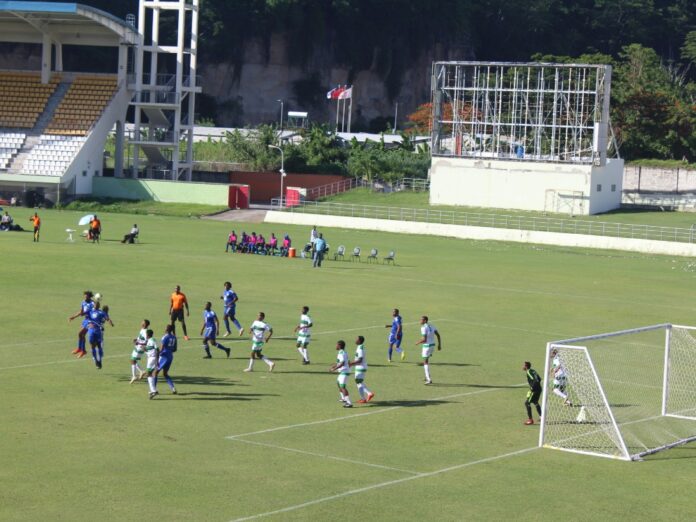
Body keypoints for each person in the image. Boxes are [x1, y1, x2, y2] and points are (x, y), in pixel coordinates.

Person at [415, 315, 441, 385]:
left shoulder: (423, 328)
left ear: (425, 321)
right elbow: (438, 335)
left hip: (426, 346)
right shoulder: (432, 326)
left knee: (425, 362)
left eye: (422, 320)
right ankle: (427, 377)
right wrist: (439, 345)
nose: (420, 321)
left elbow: (424, 339)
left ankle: (429, 379)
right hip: (432, 346)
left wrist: (417, 342)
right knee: (427, 360)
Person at [68, 290, 95, 358]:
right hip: (86, 320)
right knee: (80, 334)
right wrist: (73, 317)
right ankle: (80, 349)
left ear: (89, 297)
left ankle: (83, 350)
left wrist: (85, 313)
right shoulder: (83, 302)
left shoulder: (92, 303)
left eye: (86, 297)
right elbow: (81, 312)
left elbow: (92, 312)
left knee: (81, 333)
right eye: (84, 297)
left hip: (91, 321)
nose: (85, 298)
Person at [350, 335, 375, 404]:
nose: (355, 340)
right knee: (359, 383)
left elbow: (360, 360)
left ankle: (369, 393)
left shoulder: (360, 348)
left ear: (359, 341)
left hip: (360, 367)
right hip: (359, 367)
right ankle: (363, 399)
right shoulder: (360, 347)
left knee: (359, 382)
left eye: (356, 339)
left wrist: (350, 363)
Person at [329, 340, 353, 408]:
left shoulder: (341, 353)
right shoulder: (341, 352)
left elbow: (342, 363)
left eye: (336, 345)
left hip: (344, 372)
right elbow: (339, 362)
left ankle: (349, 402)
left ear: (339, 346)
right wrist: (333, 366)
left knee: (343, 387)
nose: (335, 346)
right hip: (343, 372)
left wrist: (334, 369)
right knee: (338, 383)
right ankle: (343, 398)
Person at [155, 324, 178, 394]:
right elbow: (175, 349)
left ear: (167, 329)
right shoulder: (174, 337)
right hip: (170, 356)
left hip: (164, 357)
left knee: (155, 372)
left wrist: (158, 354)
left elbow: (161, 348)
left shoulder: (165, 337)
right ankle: (173, 388)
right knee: (165, 374)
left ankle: (154, 389)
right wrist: (169, 350)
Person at [130, 319, 149, 383]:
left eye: (142, 322)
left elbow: (146, 342)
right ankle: (141, 371)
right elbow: (140, 338)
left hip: (140, 347)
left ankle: (134, 376)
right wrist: (136, 340)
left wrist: (139, 343)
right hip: (138, 346)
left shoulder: (146, 331)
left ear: (145, 324)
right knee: (133, 360)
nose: (141, 323)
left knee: (133, 360)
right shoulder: (142, 330)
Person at [144, 329, 160, 399]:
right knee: (150, 374)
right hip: (150, 358)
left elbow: (157, 350)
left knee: (148, 374)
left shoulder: (153, 340)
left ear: (147, 335)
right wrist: (145, 350)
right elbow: (149, 350)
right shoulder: (149, 341)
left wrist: (157, 360)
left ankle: (154, 390)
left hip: (152, 359)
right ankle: (153, 390)